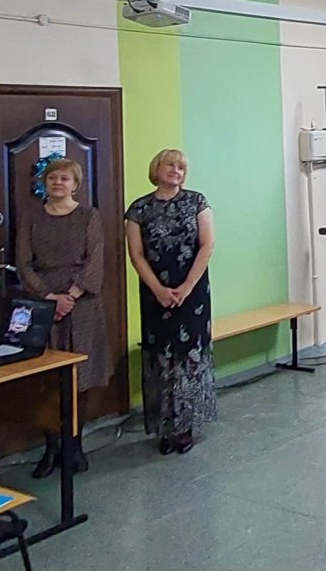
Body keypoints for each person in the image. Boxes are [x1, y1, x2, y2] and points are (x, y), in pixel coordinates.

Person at [16, 158, 112, 478]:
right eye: (53, 178)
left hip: (82, 305)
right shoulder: (31, 217)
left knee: (79, 377)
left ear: (76, 184)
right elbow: (24, 263)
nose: (58, 183)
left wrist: (70, 295)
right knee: (46, 379)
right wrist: (48, 297)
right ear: (44, 183)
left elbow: (95, 259)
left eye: (65, 178)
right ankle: (51, 447)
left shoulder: (88, 216)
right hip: (43, 305)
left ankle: (74, 446)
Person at [124, 149, 216, 455]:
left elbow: (207, 245)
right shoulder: (139, 209)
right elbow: (136, 254)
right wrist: (159, 289)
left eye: (181, 167)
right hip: (155, 293)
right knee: (161, 358)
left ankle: (186, 426)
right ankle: (166, 427)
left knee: (189, 357)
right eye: (170, 165)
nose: (176, 170)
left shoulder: (197, 202)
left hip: (192, 292)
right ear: (156, 169)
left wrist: (187, 286)